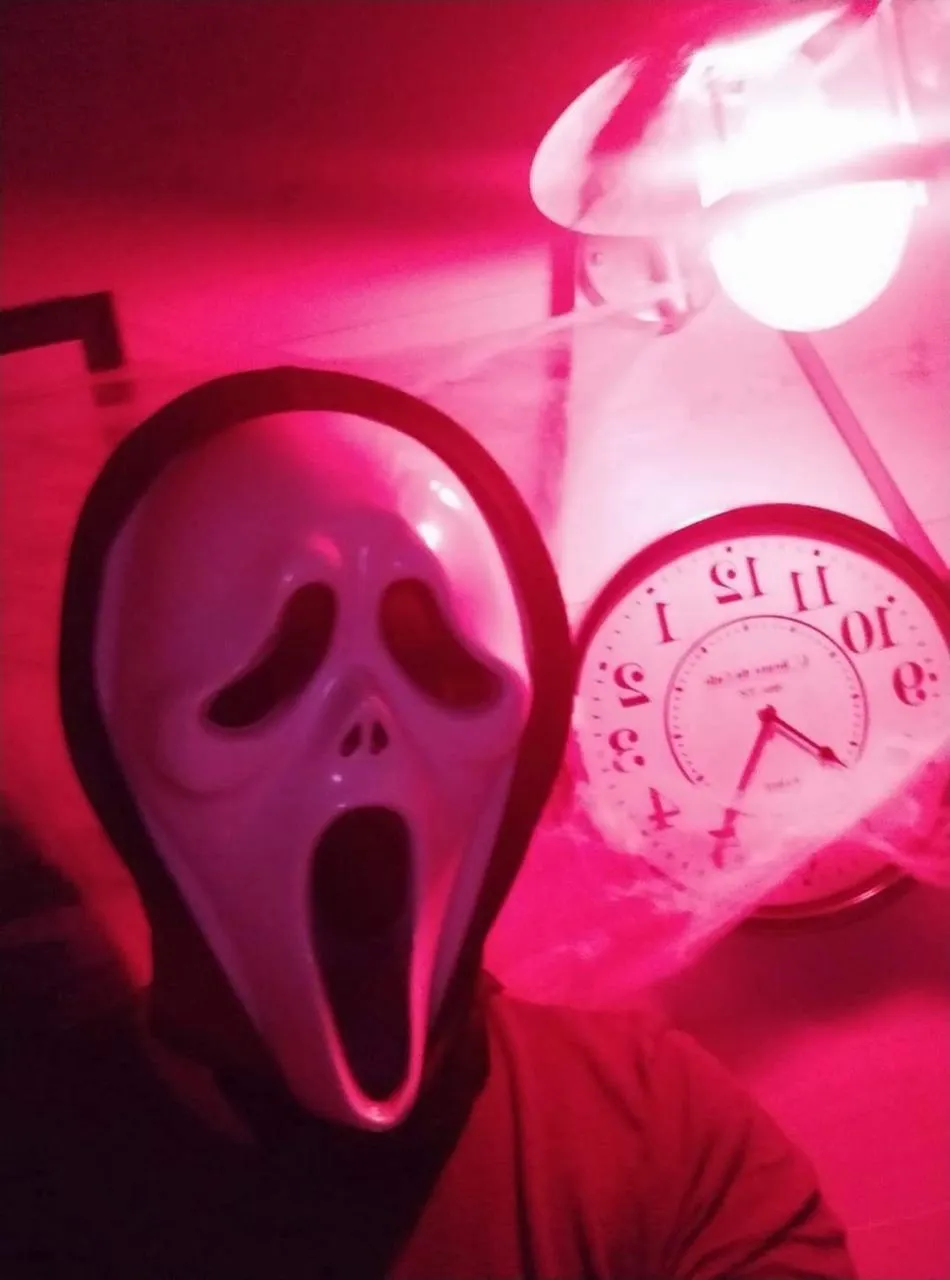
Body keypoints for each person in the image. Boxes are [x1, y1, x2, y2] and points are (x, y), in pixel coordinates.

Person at [1, 368, 857, 1278]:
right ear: (125, 749)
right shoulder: (34, 1180)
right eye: (266, 676)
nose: (367, 728)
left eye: (444, 671)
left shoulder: (662, 1133)